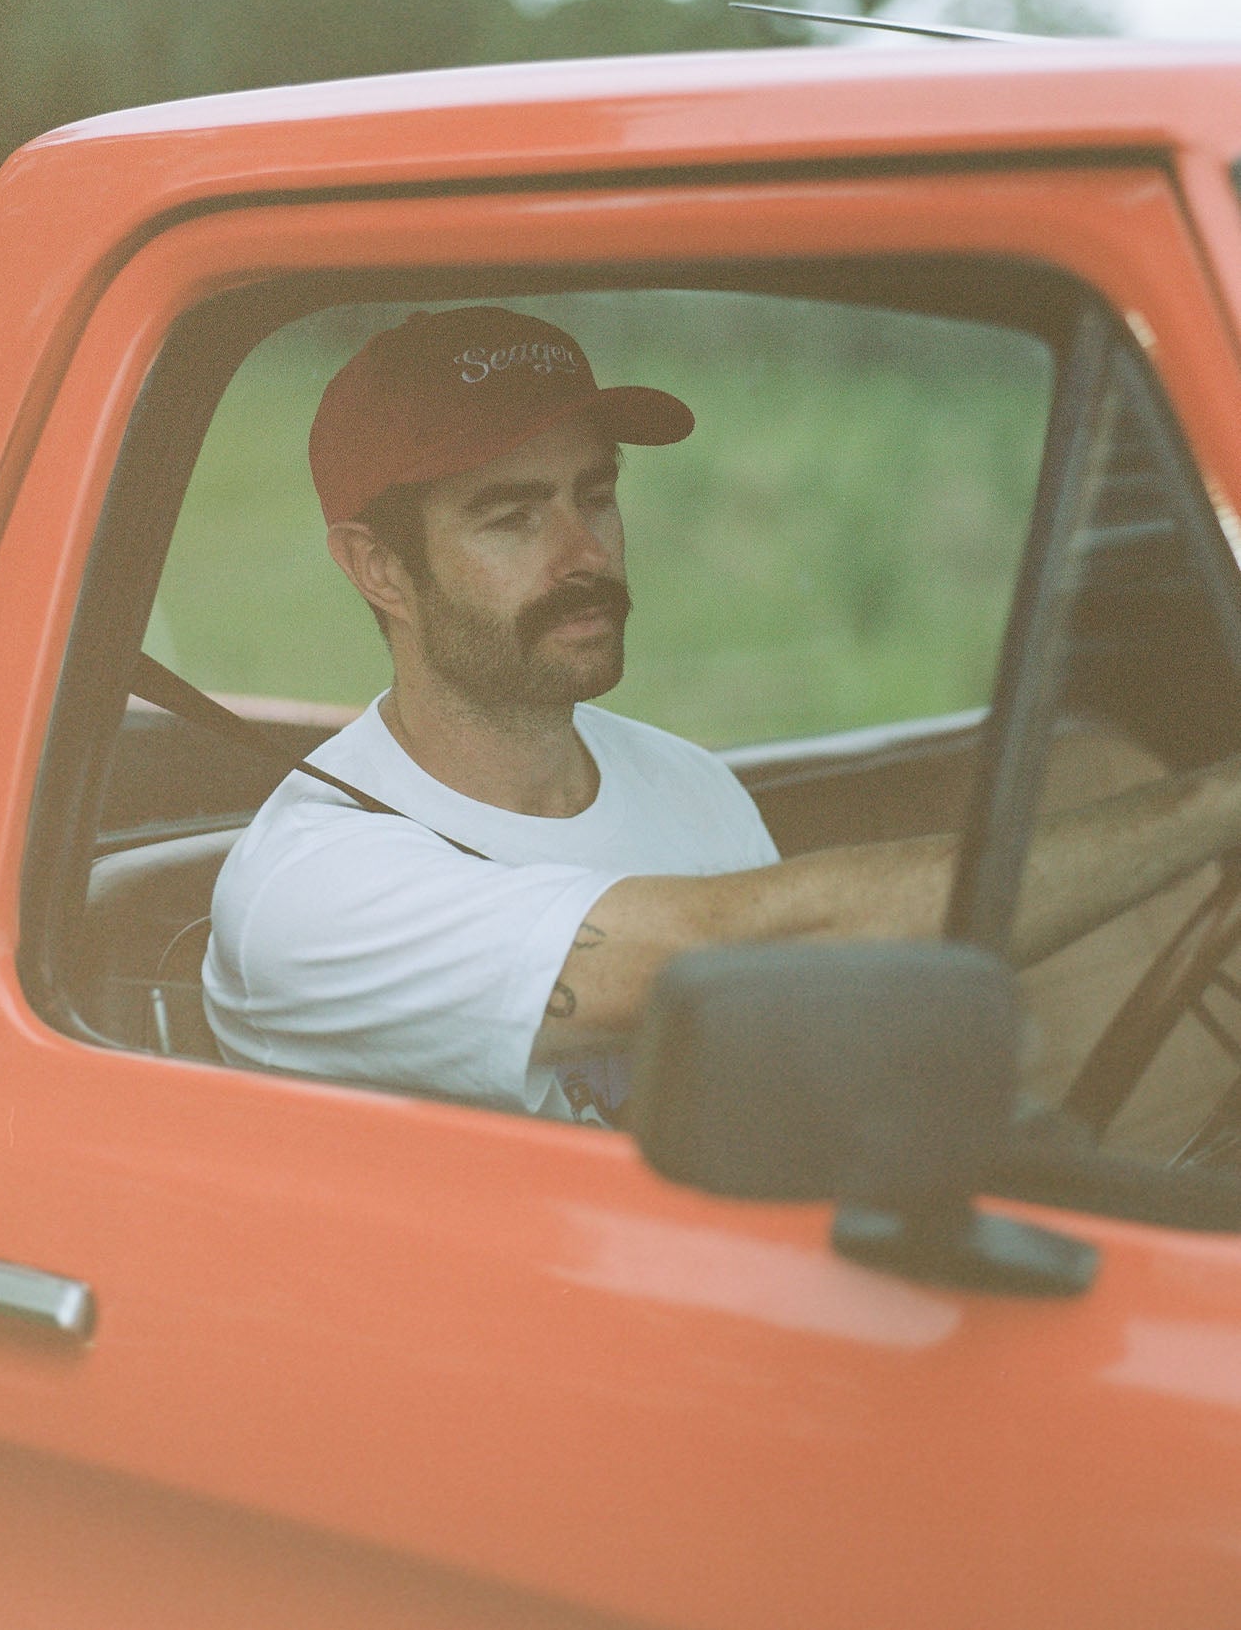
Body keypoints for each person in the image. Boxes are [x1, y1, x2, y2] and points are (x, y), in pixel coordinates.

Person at [203, 304, 1241, 1125]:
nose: (585, 552)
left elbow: (798, 1088)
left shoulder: (686, 783)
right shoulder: (315, 887)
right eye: (512, 516)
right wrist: (1213, 803)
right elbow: (760, 941)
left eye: (595, 493)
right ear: (380, 566)